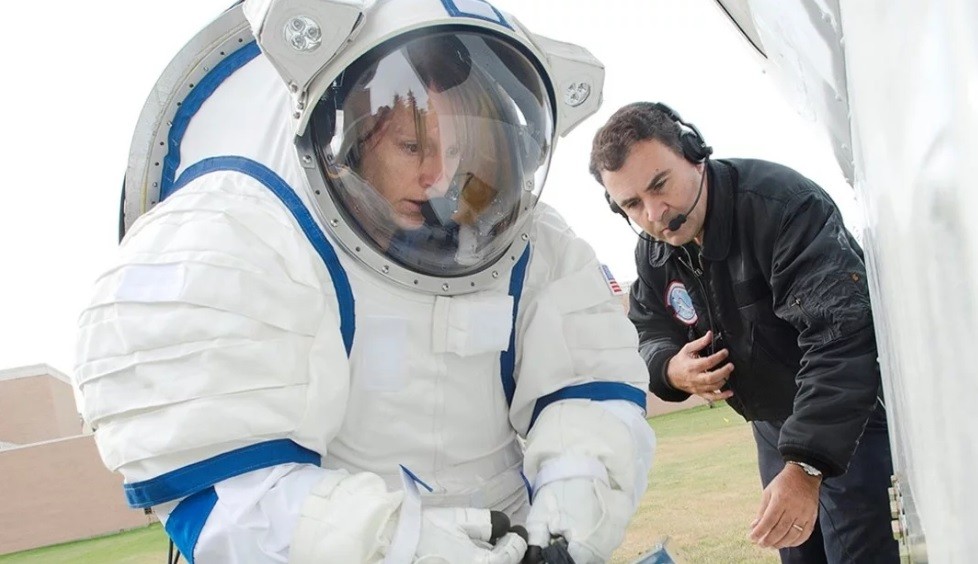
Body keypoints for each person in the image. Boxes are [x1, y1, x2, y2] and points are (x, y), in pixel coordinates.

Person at [73, 1, 655, 563]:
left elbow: (588, 390)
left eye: (452, 150)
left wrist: (568, 526)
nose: (436, 175)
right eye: (411, 145)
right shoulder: (244, 231)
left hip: (509, 536)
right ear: (348, 130)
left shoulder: (527, 244)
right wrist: (400, 546)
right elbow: (237, 495)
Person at [588, 102, 898, 563]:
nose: (654, 213)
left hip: (847, 423)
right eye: (632, 204)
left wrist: (807, 466)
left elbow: (842, 338)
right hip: (774, 429)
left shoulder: (786, 208)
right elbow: (646, 331)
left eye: (660, 185)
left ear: (694, 153)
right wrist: (671, 370)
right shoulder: (652, 252)